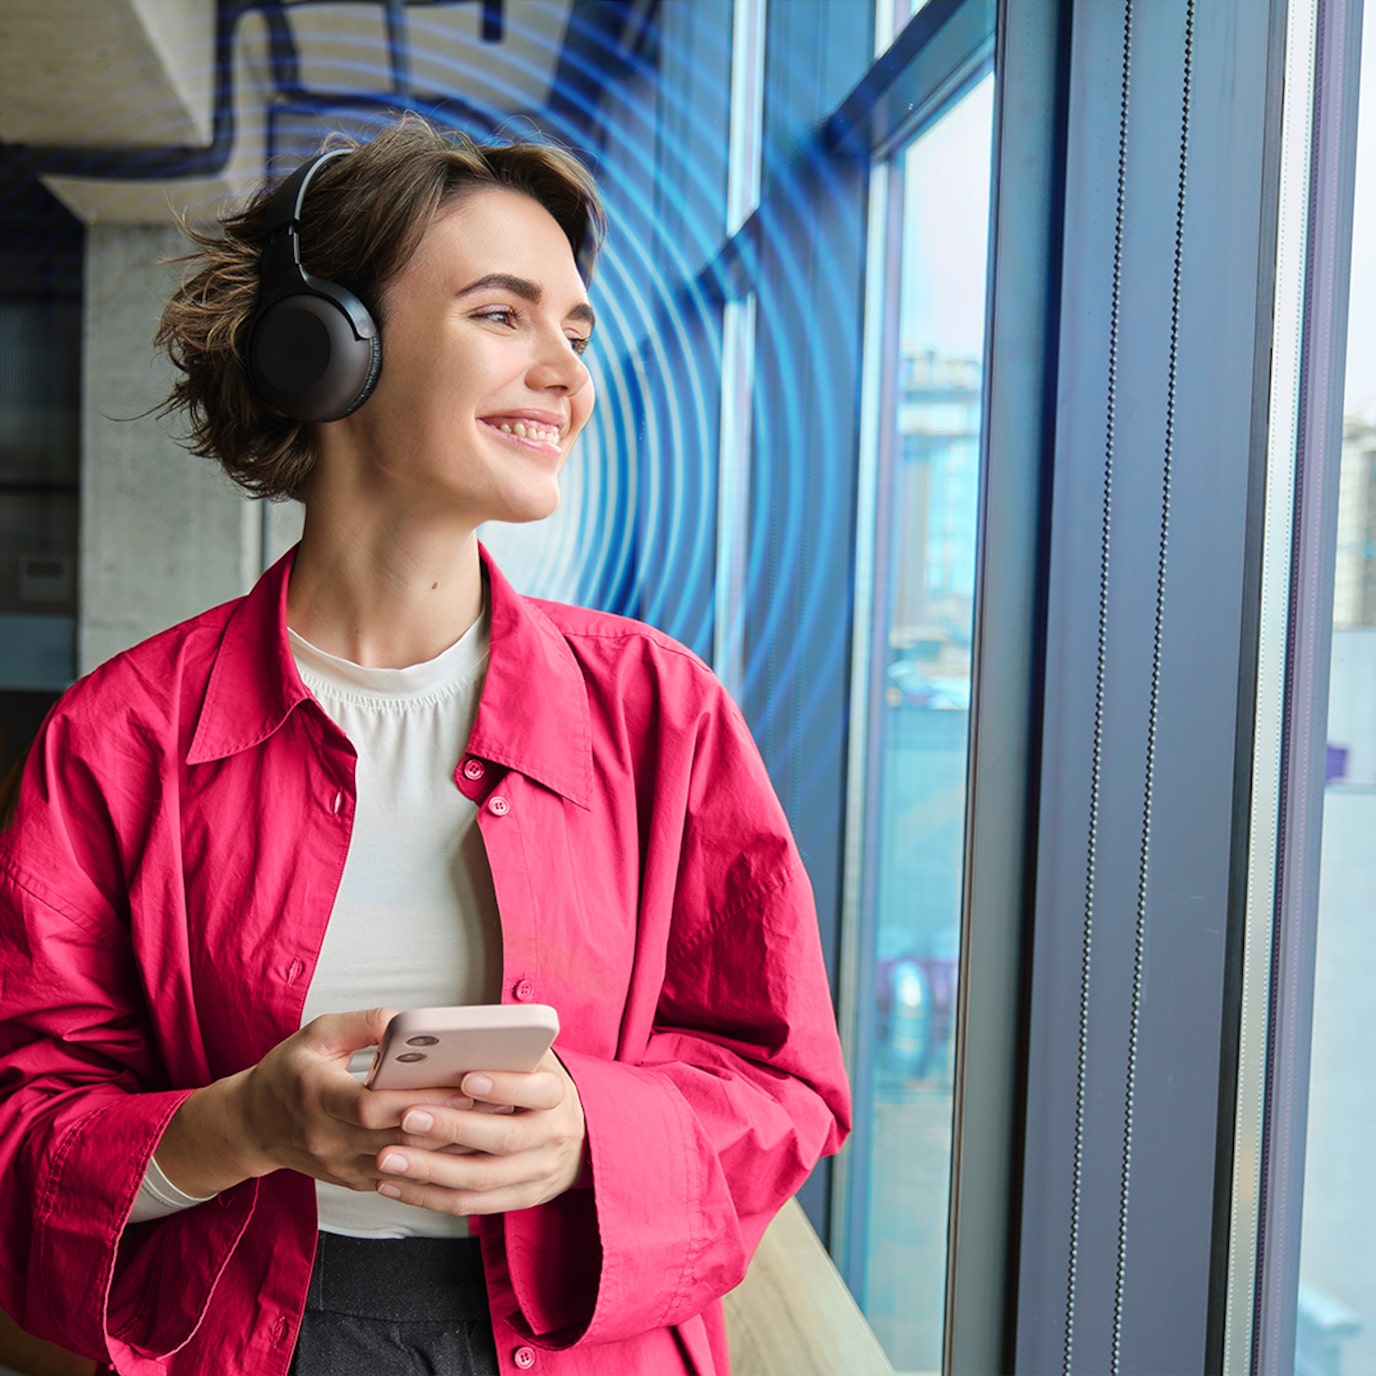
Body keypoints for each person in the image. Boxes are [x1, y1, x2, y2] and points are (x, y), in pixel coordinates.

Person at [0, 116, 850, 1376]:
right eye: (502, 314)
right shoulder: (118, 735)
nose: (564, 369)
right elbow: (23, 1138)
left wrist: (586, 1135)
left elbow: (786, 1084)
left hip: (578, 1330)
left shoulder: (661, 711)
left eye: (574, 329)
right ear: (328, 350)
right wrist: (243, 1121)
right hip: (250, 1336)